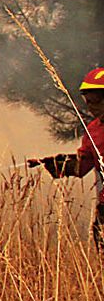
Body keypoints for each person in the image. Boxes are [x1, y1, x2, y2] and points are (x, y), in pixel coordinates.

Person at [28, 67, 104, 246]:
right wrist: (56, 163)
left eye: (97, 101)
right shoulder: (94, 130)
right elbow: (82, 165)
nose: (91, 107)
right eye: (88, 102)